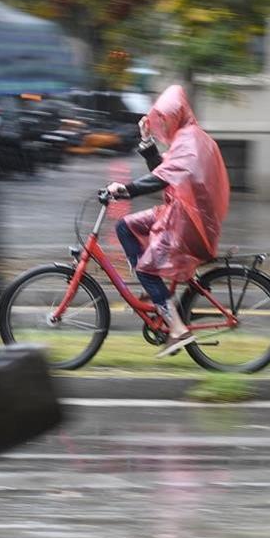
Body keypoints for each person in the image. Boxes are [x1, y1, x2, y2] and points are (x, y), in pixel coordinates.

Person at [106, 85, 230, 357]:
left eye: (165, 118)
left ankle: (177, 329)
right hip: (179, 214)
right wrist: (147, 142)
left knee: (146, 269)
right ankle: (159, 294)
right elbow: (166, 173)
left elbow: (161, 179)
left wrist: (125, 189)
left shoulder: (191, 140)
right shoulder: (187, 138)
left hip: (189, 223)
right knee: (125, 226)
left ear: (177, 115)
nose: (164, 123)